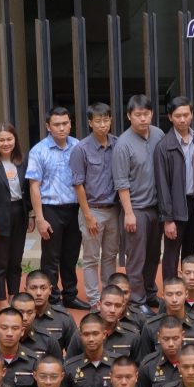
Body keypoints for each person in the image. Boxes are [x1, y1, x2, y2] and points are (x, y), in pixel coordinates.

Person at [26, 106, 89, 309]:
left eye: (65, 123)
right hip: (50, 209)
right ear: (48, 126)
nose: (61, 128)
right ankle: (52, 299)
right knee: (51, 258)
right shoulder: (38, 151)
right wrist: (40, 218)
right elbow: (34, 187)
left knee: (71, 255)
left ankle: (70, 295)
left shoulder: (78, 146)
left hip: (74, 209)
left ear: (70, 124)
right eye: (56, 124)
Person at [113, 94, 165, 315]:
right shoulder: (123, 144)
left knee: (153, 254)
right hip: (136, 209)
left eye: (146, 114)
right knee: (136, 257)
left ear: (151, 114)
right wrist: (129, 213)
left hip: (156, 208)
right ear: (129, 116)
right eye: (138, 115)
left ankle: (150, 292)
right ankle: (137, 300)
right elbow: (121, 182)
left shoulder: (158, 135)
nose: (143, 118)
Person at [69, 102, 119, 312]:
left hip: (114, 209)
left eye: (106, 120)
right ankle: (94, 300)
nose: (102, 125)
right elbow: (78, 185)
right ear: (90, 123)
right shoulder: (81, 149)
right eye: (98, 121)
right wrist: (88, 215)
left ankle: (109, 296)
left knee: (110, 255)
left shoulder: (117, 144)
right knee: (91, 258)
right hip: (92, 210)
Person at [0, 122, 32, 305]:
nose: (6, 143)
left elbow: (29, 190)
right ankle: (2, 303)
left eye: (9, 139)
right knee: (0, 262)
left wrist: (31, 215)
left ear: (15, 140)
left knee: (15, 261)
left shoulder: (23, 161)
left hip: (19, 213)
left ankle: (14, 299)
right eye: (1, 140)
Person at [155, 96, 194, 282]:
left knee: (191, 252)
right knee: (171, 255)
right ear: (170, 117)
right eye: (177, 116)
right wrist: (168, 219)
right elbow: (162, 185)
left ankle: (190, 291)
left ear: (192, 114)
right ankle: (170, 291)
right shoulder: (164, 146)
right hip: (175, 208)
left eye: (186, 115)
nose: (182, 119)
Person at [140, 275, 194, 361]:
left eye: (179, 294)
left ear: (186, 294)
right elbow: (145, 362)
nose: (174, 299)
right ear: (163, 296)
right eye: (169, 294)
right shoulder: (150, 327)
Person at [65, 286, 143, 360]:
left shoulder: (132, 335)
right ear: (99, 305)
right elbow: (70, 365)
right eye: (108, 304)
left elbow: (138, 366)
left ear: (122, 308)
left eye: (118, 305)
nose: (112, 310)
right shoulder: (82, 333)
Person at [62, 314, 116, 387]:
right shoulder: (69, 368)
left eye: (95, 334)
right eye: (86, 334)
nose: (91, 339)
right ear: (80, 336)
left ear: (104, 334)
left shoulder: (118, 364)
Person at [0, 308, 37, 387]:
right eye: (4, 328)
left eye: (15, 328)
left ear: (22, 331)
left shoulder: (34, 361)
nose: (9, 334)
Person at [25, 271, 77, 352]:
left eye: (43, 288)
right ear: (26, 290)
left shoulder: (64, 318)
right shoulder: (16, 317)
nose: (38, 293)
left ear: (50, 290)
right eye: (33, 288)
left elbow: (75, 353)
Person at [137, 317, 186, 387]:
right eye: (166, 339)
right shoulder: (148, 366)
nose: (171, 344)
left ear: (183, 335)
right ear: (159, 337)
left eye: (175, 338)